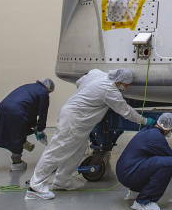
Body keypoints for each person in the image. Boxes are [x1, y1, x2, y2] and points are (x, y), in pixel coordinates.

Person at [26, 68, 156, 200]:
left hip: (77, 118)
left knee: (78, 150)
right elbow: (126, 112)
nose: (126, 88)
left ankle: (62, 181)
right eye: (126, 85)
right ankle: (35, 186)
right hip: (74, 120)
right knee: (57, 150)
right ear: (119, 81)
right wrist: (145, 120)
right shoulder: (109, 91)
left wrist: (89, 95)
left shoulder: (96, 73)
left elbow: (79, 82)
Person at [117, 112, 172, 210]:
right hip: (129, 174)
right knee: (168, 164)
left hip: (125, 171)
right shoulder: (157, 137)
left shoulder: (149, 131)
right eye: (171, 130)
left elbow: (165, 153)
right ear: (168, 129)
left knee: (161, 161)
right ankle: (143, 202)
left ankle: (135, 192)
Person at [0, 78, 55, 171]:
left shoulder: (28, 86)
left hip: (2, 108)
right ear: (48, 89)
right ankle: (17, 164)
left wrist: (35, 127)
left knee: (16, 130)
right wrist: (40, 129)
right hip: (17, 111)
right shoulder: (43, 93)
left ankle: (23, 143)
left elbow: (29, 108)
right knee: (18, 135)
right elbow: (43, 113)